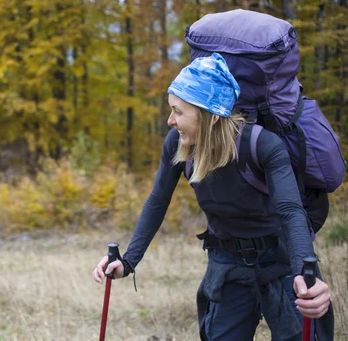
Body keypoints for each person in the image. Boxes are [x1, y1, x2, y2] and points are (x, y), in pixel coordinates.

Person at [92, 53, 333, 341]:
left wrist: (304, 273)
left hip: (281, 258)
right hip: (227, 262)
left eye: (178, 112)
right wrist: (128, 261)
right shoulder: (179, 145)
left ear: (211, 115)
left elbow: (291, 211)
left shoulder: (262, 145)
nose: (170, 121)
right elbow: (157, 202)